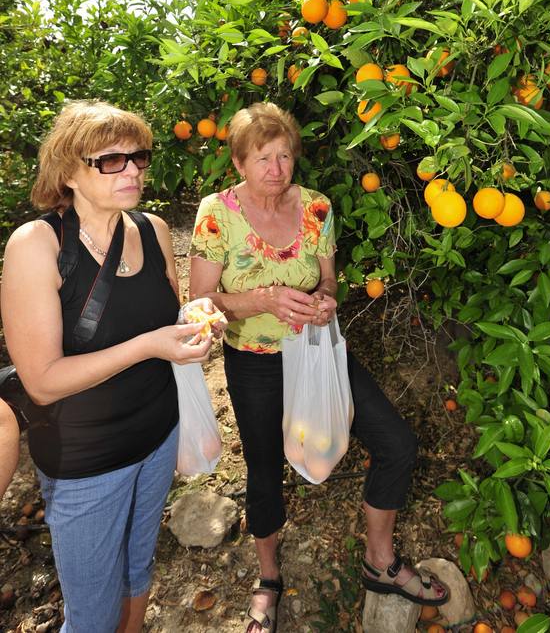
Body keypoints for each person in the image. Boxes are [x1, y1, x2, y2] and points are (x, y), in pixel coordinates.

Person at [189, 101, 448, 633]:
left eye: (285, 156)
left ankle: (380, 560)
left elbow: (329, 281)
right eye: (263, 158)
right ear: (239, 163)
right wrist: (261, 298)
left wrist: (327, 299)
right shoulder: (217, 213)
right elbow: (200, 302)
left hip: (318, 352)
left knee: (397, 443)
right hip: (254, 362)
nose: (277, 169)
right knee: (264, 472)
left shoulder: (316, 208)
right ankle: (268, 577)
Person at [1, 100, 221, 633]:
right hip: (86, 461)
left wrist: (198, 320)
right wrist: (149, 345)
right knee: (93, 613)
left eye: (139, 158)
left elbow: (170, 314)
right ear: (69, 171)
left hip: (157, 435)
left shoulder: (154, 230)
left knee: (136, 571)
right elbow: (43, 382)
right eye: (111, 160)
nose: (133, 171)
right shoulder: (38, 245)